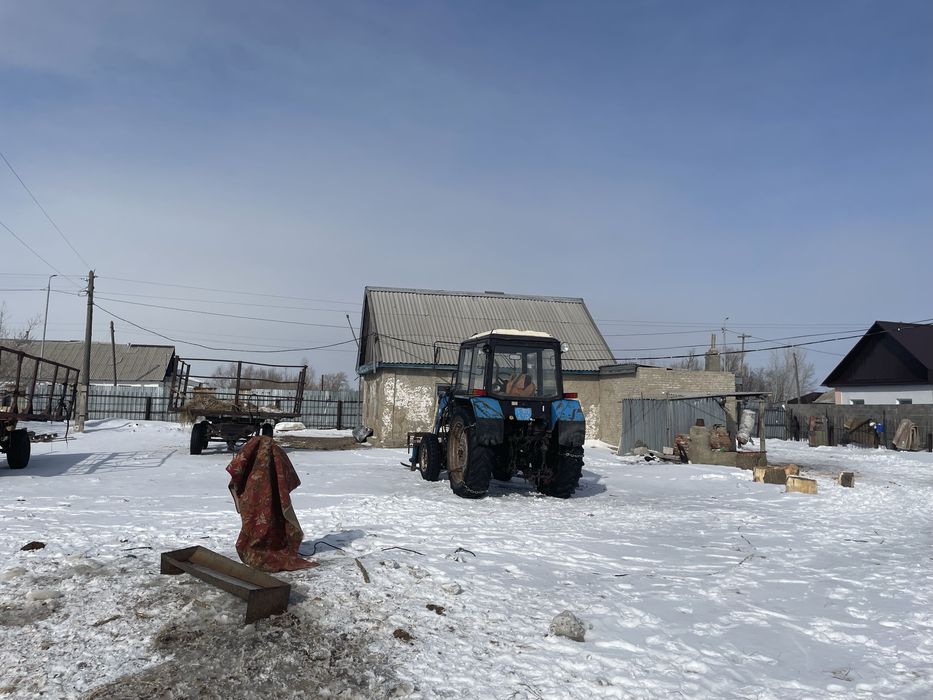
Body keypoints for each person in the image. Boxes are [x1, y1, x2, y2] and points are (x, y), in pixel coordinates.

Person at [225, 433, 317, 572]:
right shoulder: (275, 452)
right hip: (262, 495)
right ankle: (266, 546)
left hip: (253, 495)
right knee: (268, 517)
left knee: (261, 519)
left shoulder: (250, 455)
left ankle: (254, 546)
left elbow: (236, 472)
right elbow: (288, 475)